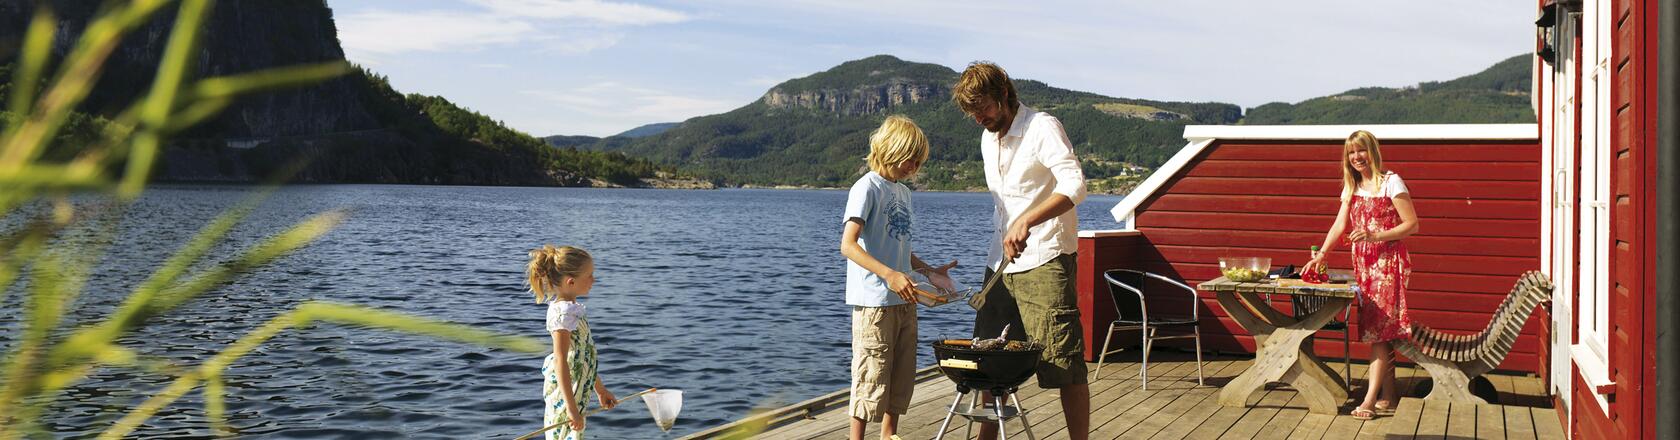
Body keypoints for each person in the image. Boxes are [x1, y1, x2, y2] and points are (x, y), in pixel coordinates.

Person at [951, 61, 1090, 440]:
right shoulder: (986, 138)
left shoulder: (1042, 127)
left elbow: (1076, 186)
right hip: (999, 263)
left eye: (985, 107)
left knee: (1063, 363)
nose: (979, 117)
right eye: (972, 112)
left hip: (1045, 259)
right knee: (985, 360)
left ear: (1005, 95)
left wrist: (1028, 219)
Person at [839, 115, 956, 440]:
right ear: (891, 149)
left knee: (902, 375)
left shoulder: (903, 192)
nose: (915, 165)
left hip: (906, 298)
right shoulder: (866, 187)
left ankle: (889, 435)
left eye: (920, 160)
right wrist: (889, 274)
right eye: (911, 158)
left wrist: (929, 271)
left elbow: (900, 249)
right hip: (874, 302)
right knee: (871, 374)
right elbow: (848, 245)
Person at [1304, 130, 1419, 420]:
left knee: (1379, 334)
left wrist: (1374, 235)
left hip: (1387, 266)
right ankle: (1389, 395)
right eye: (1351, 153)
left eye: (1361, 151)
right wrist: (1322, 254)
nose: (1356, 157)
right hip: (1364, 266)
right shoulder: (1351, 186)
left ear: (1372, 151)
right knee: (1381, 330)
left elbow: (1412, 225)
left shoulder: (1391, 182)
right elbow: (1339, 224)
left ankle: (1368, 400)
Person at [528, 245, 618, 440]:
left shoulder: (572, 310)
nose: (593, 280)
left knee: (573, 433)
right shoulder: (563, 314)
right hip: (566, 391)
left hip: (578, 385)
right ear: (571, 281)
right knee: (563, 433)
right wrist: (570, 408)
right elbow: (562, 360)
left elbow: (582, 355)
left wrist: (600, 390)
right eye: (589, 275)